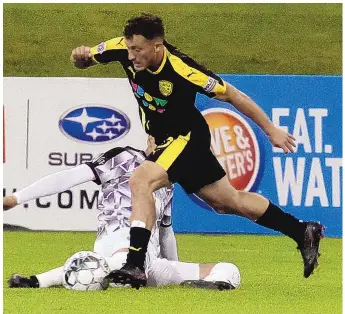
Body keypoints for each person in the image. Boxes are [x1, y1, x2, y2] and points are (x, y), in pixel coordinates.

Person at [70, 13, 324, 288]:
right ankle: (302, 230)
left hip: (186, 137)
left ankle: (135, 264)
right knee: (227, 202)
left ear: (157, 46)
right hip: (168, 139)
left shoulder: (182, 69)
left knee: (140, 181)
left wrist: (270, 129)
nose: (132, 56)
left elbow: (234, 95)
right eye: (129, 49)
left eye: (138, 50)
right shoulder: (120, 48)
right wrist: (80, 57)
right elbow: (84, 59)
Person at [4, 139, 240, 290]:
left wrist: (173, 268)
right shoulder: (124, 157)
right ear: (150, 139)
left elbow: (166, 233)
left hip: (149, 263)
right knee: (120, 262)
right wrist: (17, 198)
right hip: (116, 240)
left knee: (229, 270)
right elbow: (68, 177)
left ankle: (207, 285)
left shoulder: (168, 183)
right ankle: (37, 281)